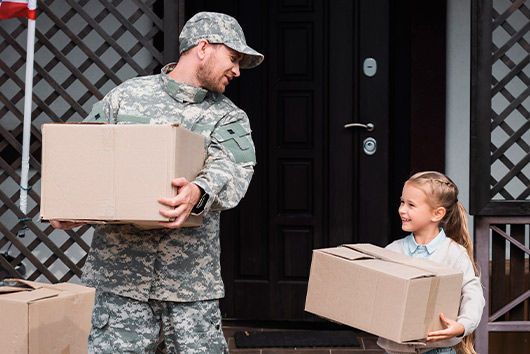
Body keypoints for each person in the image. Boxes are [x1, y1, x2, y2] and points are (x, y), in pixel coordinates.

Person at [50, 11, 263, 354]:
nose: (237, 70)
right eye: (233, 57)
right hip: (121, 283)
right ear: (203, 48)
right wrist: (70, 204)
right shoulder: (124, 98)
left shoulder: (229, 115)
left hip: (191, 286)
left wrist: (198, 191)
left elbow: (234, 168)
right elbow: (84, 156)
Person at [377, 171, 485, 354]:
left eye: (411, 205)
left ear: (437, 214)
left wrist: (462, 325)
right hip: (395, 350)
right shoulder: (392, 252)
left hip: (437, 351)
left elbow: (473, 295)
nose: (402, 209)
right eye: (402, 202)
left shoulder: (454, 255)